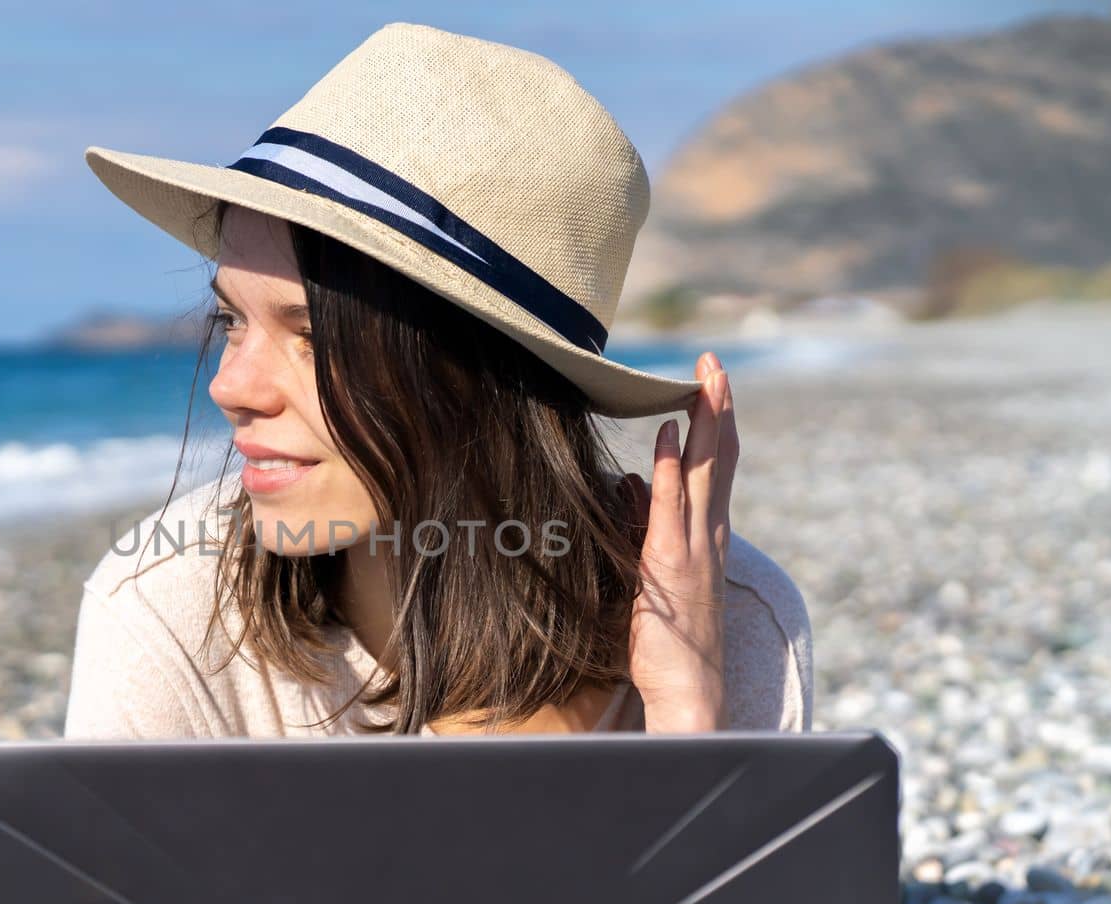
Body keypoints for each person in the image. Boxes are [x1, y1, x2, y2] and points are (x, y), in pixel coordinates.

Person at [63, 22, 812, 739]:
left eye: (311, 337)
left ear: (481, 375)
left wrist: (689, 716)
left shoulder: (728, 620)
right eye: (232, 321)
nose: (231, 386)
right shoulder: (168, 610)